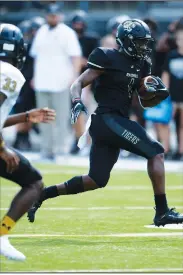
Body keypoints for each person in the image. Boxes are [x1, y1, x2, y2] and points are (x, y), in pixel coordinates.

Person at [28, 19, 183, 227]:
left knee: (96, 180)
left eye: (145, 42)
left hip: (116, 122)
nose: (143, 47)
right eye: (139, 42)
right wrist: (77, 102)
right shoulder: (106, 56)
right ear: (126, 41)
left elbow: (141, 100)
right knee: (156, 151)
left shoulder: (142, 63)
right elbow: (79, 82)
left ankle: (43, 194)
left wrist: (153, 95)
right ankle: (162, 211)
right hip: (106, 119)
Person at [0, 23, 55, 261]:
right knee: (34, 183)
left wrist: (25, 116)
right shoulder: (10, 73)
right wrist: (2, 148)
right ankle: (1, 235)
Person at [30, 3, 82, 159]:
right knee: (43, 116)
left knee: (60, 117)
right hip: (42, 81)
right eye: (50, 15)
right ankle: (46, 149)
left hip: (61, 81)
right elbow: (36, 56)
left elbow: (76, 56)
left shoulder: (68, 33)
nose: (53, 17)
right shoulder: (41, 31)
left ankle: (60, 149)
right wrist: (34, 76)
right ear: (46, 16)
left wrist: (74, 76)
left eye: (55, 15)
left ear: (60, 16)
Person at [13, 17, 45, 151]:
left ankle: (29, 135)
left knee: (39, 112)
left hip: (42, 83)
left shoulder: (45, 46)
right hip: (25, 83)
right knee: (24, 112)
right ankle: (21, 137)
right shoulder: (25, 46)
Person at [70, 10, 100, 155]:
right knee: (76, 113)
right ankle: (78, 140)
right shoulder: (68, 38)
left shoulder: (91, 39)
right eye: (76, 23)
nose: (78, 26)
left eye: (80, 23)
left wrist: (83, 61)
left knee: (89, 112)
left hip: (89, 81)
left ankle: (86, 142)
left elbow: (97, 60)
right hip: (72, 80)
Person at [161, 21, 183, 161]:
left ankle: (181, 151)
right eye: (180, 39)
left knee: (182, 125)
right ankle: (167, 149)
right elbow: (166, 74)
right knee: (166, 122)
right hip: (172, 96)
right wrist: (164, 93)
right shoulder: (171, 55)